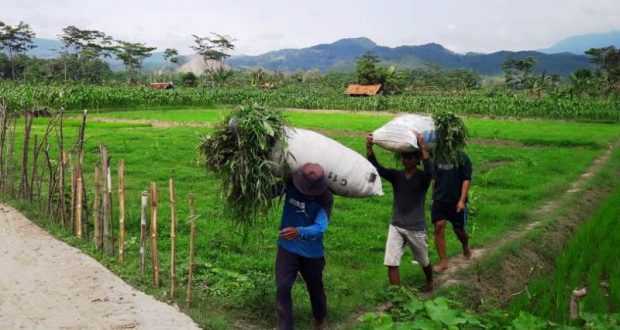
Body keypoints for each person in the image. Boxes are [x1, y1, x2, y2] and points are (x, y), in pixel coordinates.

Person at [366, 132, 434, 292]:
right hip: (396, 225)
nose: (406, 160)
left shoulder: (423, 178)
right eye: (404, 157)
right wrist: (369, 148)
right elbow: (378, 169)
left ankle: (430, 281)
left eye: (410, 157)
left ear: (417, 160)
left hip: (415, 227)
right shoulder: (397, 176)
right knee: (391, 262)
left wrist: (423, 147)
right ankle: (396, 294)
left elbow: (430, 170)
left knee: (423, 260)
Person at [274, 163, 333, 330]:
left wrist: (299, 232)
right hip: (287, 248)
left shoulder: (325, 198)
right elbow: (270, 192)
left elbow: (320, 227)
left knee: (315, 289)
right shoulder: (291, 185)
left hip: (311, 253)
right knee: (283, 287)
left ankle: (319, 318)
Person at [431, 150, 473, 272]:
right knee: (438, 227)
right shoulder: (438, 157)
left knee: (459, 230)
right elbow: (434, 180)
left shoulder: (463, 157)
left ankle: (465, 245)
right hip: (439, 200)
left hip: (456, 201)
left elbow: (466, 180)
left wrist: (461, 200)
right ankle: (443, 261)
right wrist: (433, 198)